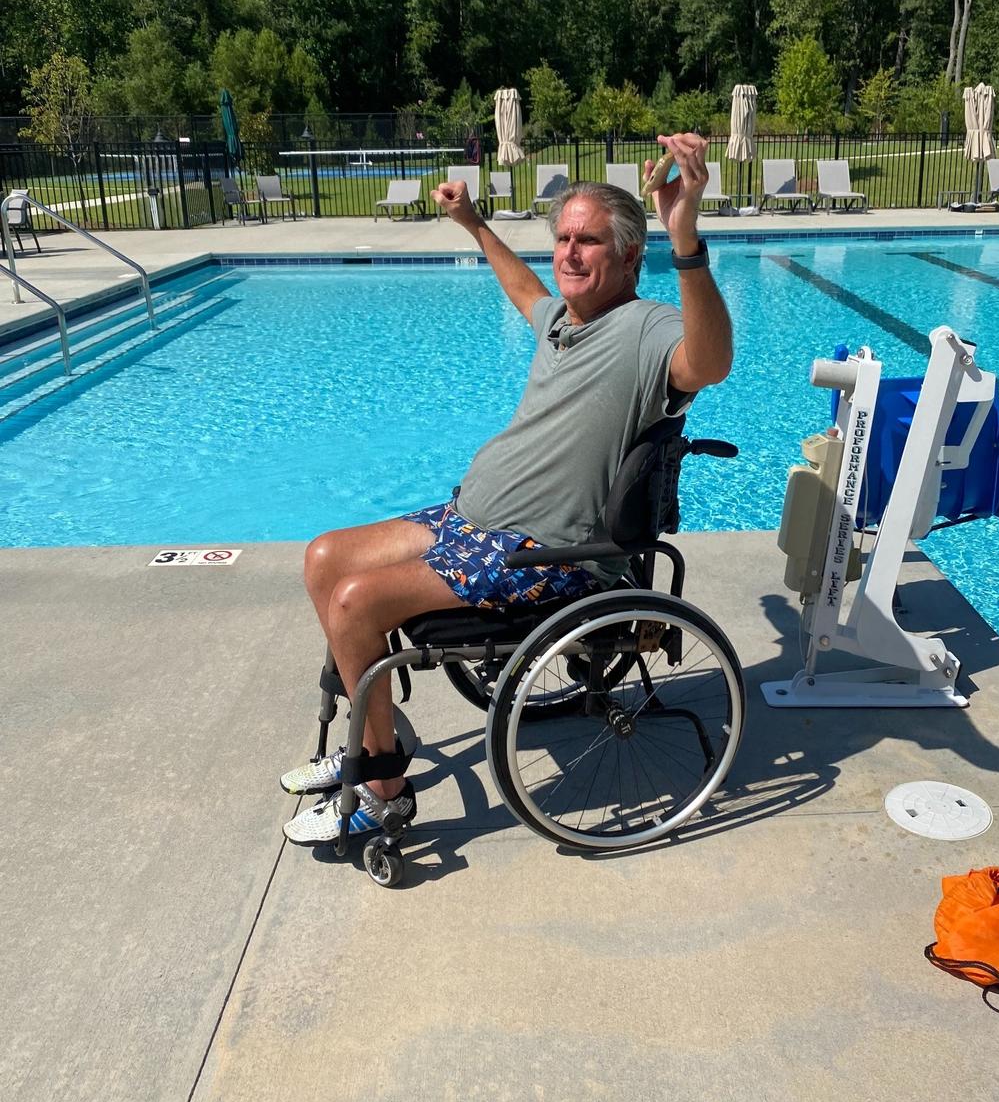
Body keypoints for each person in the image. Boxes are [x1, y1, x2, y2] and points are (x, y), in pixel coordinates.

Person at [282, 132, 734, 845]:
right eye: (562, 238)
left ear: (627, 256)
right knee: (323, 557)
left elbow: (709, 362)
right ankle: (369, 727)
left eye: (587, 241)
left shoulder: (649, 329)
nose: (568, 253)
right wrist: (472, 224)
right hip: (470, 519)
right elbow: (522, 286)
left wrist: (687, 237)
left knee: (355, 600)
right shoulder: (562, 319)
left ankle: (384, 782)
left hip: (541, 554)